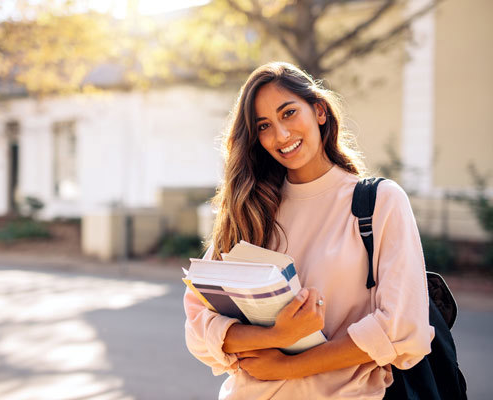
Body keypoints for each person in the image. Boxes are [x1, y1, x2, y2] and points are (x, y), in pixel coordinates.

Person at [183, 61, 434, 399]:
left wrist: (287, 367)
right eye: (264, 126)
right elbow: (199, 328)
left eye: (288, 113)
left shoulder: (379, 202)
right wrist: (277, 336)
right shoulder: (251, 210)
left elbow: (401, 329)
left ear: (318, 111)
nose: (281, 135)